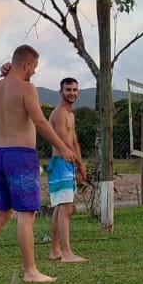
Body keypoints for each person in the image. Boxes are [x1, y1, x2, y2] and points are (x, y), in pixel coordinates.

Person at [0, 45, 81, 283]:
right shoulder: (27, 88)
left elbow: (9, 90)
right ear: (27, 64)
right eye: (34, 67)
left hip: (0, 154)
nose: (34, 73)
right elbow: (39, 121)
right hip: (21, 156)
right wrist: (65, 147)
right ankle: (31, 271)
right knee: (26, 215)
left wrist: (8, 73)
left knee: (3, 212)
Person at [47, 76, 89, 263]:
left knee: (60, 207)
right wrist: (79, 164)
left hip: (69, 163)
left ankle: (55, 250)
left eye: (74, 90)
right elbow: (64, 143)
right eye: (68, 90)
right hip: (60, 163)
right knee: (66, 208)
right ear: (61, 92)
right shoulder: (59, 114)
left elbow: (74, 141)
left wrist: (81, 164)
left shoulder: (71, 115)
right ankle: (66, 253)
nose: (71, 93)